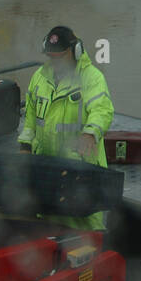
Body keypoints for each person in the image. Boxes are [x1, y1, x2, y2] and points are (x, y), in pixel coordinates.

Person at [17, 25, 114, 230]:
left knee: (87, 230)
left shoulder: (92, 78)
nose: (55, 61)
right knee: (48, 225)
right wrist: (25, 146)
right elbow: (31, 116)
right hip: (48, 167)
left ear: (75, 51)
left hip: (81, 168)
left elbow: (102, 110)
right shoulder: (39, 78)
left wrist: (90, 133)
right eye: (51, 57)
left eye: (60, 56)